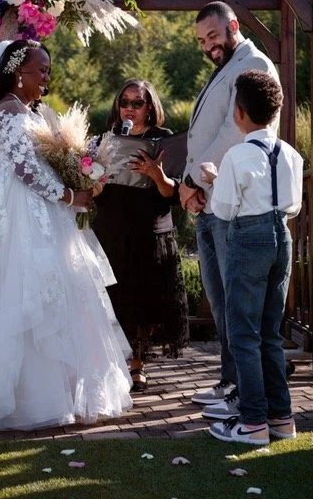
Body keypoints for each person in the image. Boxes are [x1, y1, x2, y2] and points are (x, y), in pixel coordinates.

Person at [0, 39, 133, 432]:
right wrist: (71, 194)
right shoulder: (10, 114)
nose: (46, 78)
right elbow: (25, 171)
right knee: (15, 294)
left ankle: (50, 392)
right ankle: (16, 397)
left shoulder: (21, 110)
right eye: (42, 71)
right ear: (19, 73)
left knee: (47, 296)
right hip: (16, 214)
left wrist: (76, 172)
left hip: (33, 210)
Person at [179, 1, 280, 413]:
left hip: (228, 201)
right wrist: (193, 189)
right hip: (208, 199)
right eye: (202, 40)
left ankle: (243, 392)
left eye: (213, 36)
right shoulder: (228, 64)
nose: (207, 46)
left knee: (234, 304)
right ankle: (229, 381)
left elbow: (231, 134)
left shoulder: (251, 63)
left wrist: (190, 182)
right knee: (219, 300)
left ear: (233, 25)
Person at [205, 70, 303, 444]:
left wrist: (214, 179)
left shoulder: (237, 155)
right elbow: (292, 206)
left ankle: (252, 423)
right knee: (269, 334)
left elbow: (225, 209)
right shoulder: (291, 154)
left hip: (249, 238)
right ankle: (281, 419)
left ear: (239, 112)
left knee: (243, 335)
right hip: (282, 235)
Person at [93, 79, 189, 392]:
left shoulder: (163, 140)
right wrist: (93, 181)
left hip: (149, 230)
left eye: (138, 102)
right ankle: (111, 365)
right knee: (112, 300)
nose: (130, 108)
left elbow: (172, 193)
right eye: (125, 102)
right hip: (111, 230)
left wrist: (155, 174)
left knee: (143, 302)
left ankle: (137, 365)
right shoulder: (104, 139)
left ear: (150, 107)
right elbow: (96, 193)